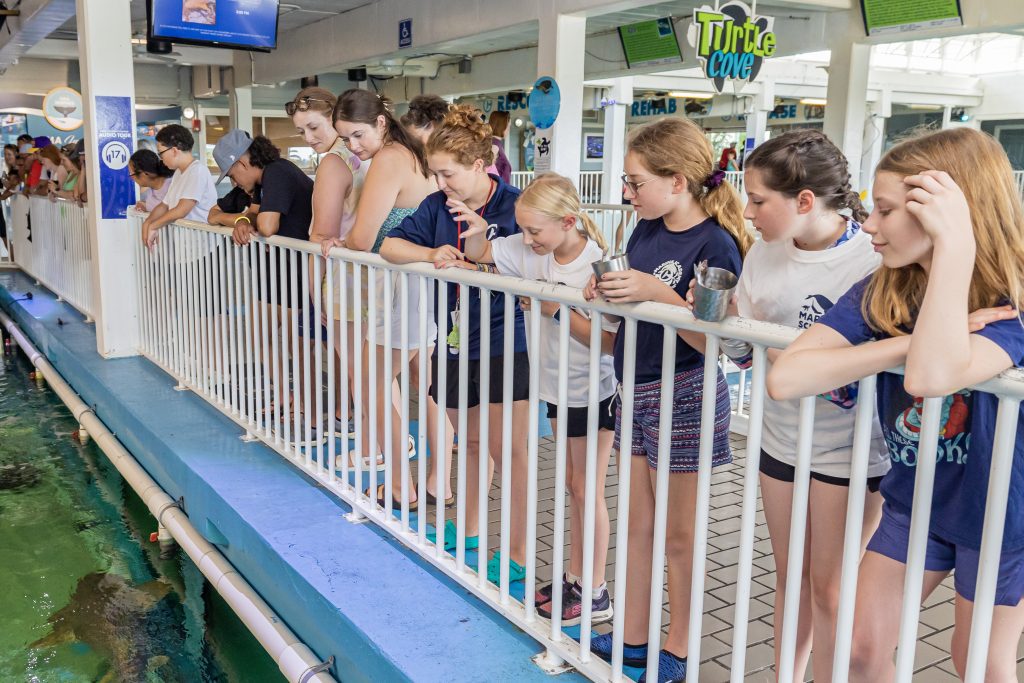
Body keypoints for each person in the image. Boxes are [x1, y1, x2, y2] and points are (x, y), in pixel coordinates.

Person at [769, 128, 1024, 681]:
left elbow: (932, 377)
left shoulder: (1013, 304)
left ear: (946, 214)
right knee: (859, 651)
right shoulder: (886, 290)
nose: (868, 226)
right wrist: (904, 341)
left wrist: (957, 246)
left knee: (979, 663)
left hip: (1001, 517)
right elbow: (787, 377)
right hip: (916, 505)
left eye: (884, 211)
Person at [706, 129, 889, 682]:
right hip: (780, 435)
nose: (747, 211)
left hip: (852, 449)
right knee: (792, 577)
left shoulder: (872, 259)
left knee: (831, 586)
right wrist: (722, 321)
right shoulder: (761, 253)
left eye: (759, 201)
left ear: (804, 201)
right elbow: (745, 355)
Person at [583, 116, 752, 683]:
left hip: (687, 392)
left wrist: (656, 292)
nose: (627, 195)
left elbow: (708, 339)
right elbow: (634, 303)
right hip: (636, 386)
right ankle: (633, 635)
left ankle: (678, 647)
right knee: (637, 524)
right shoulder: (644, 231)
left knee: (678, 536)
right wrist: (605, 293)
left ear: (677, 181)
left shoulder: (716, 244)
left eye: (634, 183)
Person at [447, 172, 617, 623]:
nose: (527, 239)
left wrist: (553, 306)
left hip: (591, 392)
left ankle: (594, 589)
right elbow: (481, 254)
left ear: (567, 221)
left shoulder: (596, 266)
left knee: (586, 489)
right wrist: (481, 233)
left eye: (534, 231)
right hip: (558, 390)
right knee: (574, 487)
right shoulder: (531, 250)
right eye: (522, 230)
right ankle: (578, 577)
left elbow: (609, 342)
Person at [380, 104, 531, 583]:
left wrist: (478, 260)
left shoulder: (517, 206)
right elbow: (389, 246)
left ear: (477, 166)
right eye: (435, 173)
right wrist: (430, 251)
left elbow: (534, 268)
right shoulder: (436, 206)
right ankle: (467, 533)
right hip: (454, 340)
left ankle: (518, 555)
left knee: (510, 451)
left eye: (448, 173)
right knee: (468, 442)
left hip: (509, 341)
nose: (441, 182)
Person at [325, 89, 451, 506]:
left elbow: (363, 238)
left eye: (358, 135)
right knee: (429, 386)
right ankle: (439, 483)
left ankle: (401, 486)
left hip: (401, 287)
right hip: (423, 287)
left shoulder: (389, 158)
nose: (354, 147)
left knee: (370, 382)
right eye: (345, 140)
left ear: (381, 122)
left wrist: (336, 242)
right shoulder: (414, 153)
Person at [213, 130, 315, 426]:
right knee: (260, 336)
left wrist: (243, 218)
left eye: (232, 175)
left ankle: (312, 406)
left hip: (297, 269)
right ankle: (287, 396)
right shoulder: (261, 183)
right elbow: (217, 215)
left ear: (244, 162)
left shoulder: (278, 172)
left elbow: (268, 226)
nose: (234, 183)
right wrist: (242, 218)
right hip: (278, 270)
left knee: (302, 344)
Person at [142, 124, 217, 247]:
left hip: (203, 247)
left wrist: (154, 226)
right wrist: (148, 222)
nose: (161, 158)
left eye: (161, 153)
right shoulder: (178, 173)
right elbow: (164, 205)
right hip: (186, 246)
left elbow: (181, 210)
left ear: (174, 151)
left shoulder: (197, 171)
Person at [486, 111, 512, 184]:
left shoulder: (494, 143)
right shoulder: (494, 145)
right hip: (498, 191)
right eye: (508, 127)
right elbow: (486, 170)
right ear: (502, 126)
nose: (509, 130)